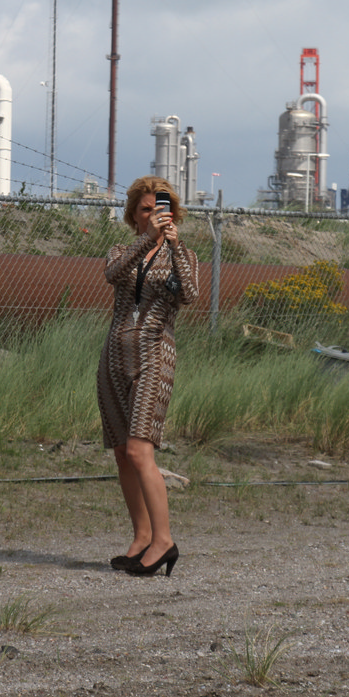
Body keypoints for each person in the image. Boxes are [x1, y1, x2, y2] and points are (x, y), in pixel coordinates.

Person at [97, 176, 199, 577]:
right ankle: (142, 538)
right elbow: (114, 274)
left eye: (162, 209)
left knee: (141, 451)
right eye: (146, 209)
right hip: (114, 357)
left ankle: (164, 540)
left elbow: (189, 295)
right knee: (123, 451)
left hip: (155, 355)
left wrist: (172, 245)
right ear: (134, 215)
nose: (155, 215)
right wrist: (147, 240)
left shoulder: (183, 255)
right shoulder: (122, 250)